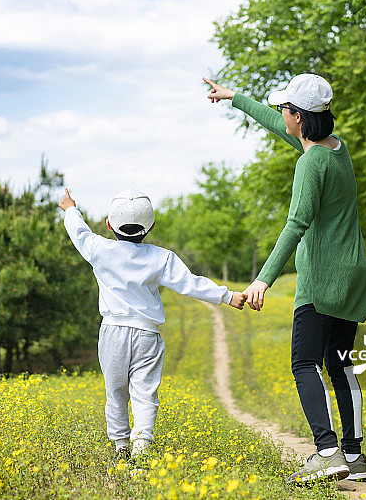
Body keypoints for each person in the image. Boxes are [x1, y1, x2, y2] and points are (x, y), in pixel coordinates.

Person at [204, 74, 366, 484]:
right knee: (341, 365)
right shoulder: (336, 149)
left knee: (304, 363)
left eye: (285, 109)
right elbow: (280, 127)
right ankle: (354, 457)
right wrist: (235, 98)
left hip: (322, 276)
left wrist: (264, 279)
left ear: (299, 116)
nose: (281, 114)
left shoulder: (308, 164)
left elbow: (296, 223)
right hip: (354, 273)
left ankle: (327, 452)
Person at [58, 187, 246, 470]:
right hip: (147, 334)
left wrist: (70, 208)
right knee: (145, 392)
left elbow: (79, 232)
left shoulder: (100, 249)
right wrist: (228, 296)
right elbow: (190, 283)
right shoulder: (162, 257)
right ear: (151, 227)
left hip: (113, 333)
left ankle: (121, 446)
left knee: (116, 391)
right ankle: (142, 447)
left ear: (109, 225)